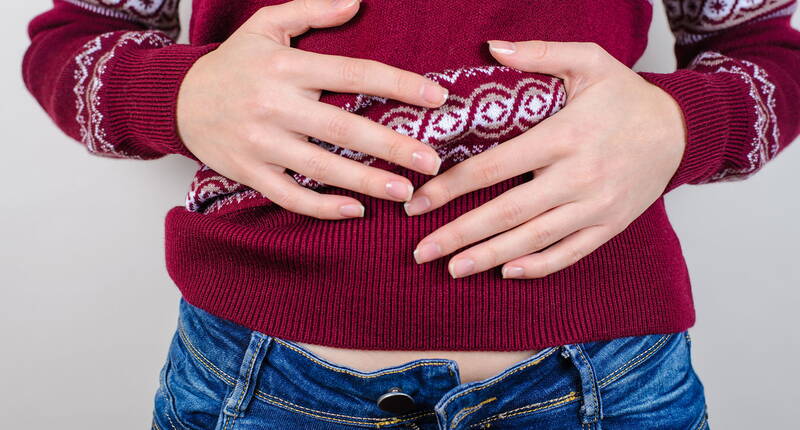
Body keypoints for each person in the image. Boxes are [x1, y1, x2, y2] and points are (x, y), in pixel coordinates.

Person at [22, 0, 799, 428]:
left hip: (607, 379)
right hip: (255, 379)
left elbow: (766, 50)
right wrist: (184, 97)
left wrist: (682, 124)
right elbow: (75, 39)